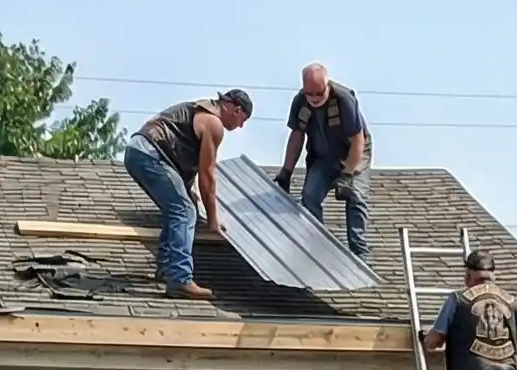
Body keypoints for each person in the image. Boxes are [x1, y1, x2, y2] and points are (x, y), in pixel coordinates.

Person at [123, 90, 254, 302]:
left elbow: (183, 162)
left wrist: (188, 193)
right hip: (151, 153)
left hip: (138, 152)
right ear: (236, 109)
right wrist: (212, 219)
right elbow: (207, 175)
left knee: (178, 207)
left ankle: (167, 268)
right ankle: (180, 278)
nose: (241, 126)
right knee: (183, 211)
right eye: (243, 119)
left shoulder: (199, 110)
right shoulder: (214, 123)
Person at [275, 63, 371, 258]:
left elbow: (357, 139)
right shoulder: (300, 102)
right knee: (310, 196)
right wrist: (286, 172)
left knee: (355, 196)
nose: (314, 98)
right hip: (322, 157)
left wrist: (347, 173)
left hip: (352, 153)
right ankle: (318, 244)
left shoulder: (344, 99)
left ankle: (360, 251)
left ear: (327, 85)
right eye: (310, 93)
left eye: (319, 93)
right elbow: (296, 137)